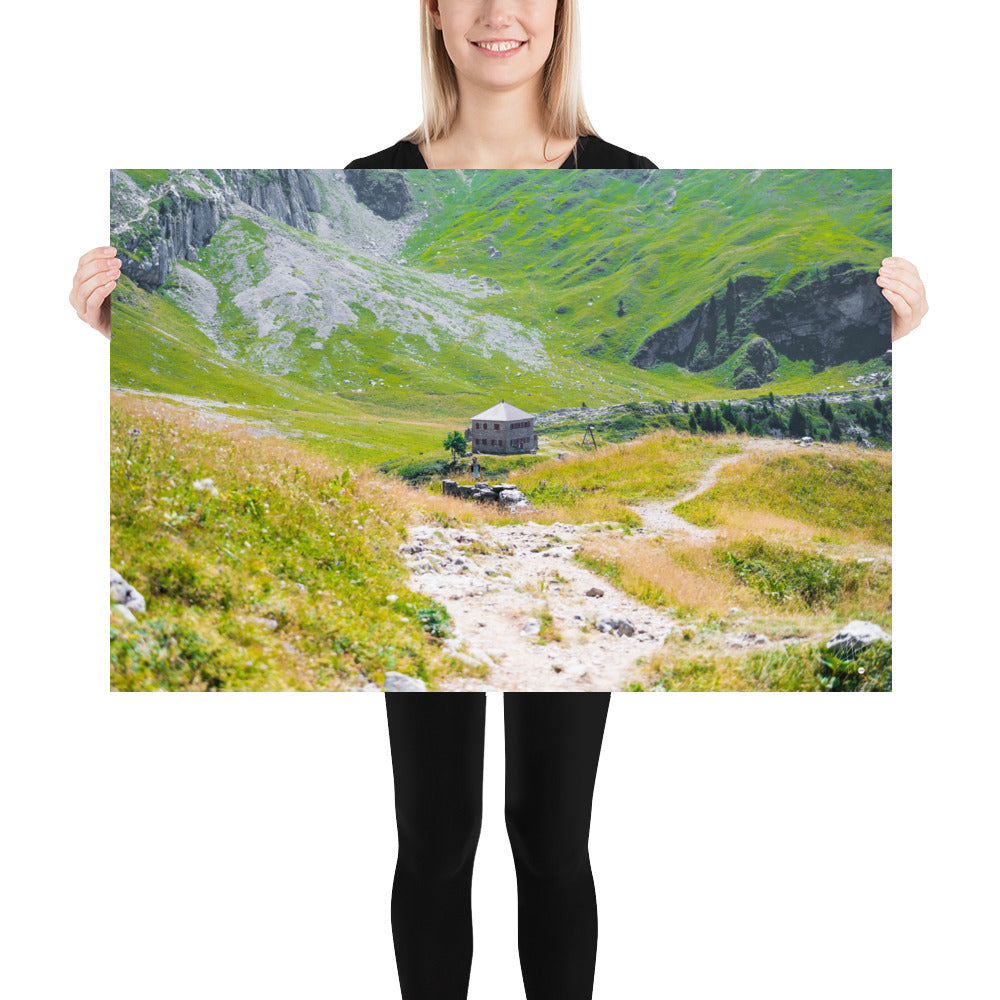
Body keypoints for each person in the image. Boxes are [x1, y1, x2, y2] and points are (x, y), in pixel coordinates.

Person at [73, 3, 928, 998]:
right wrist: (117, 338)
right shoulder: (369, 177)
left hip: (541, 557)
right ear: (431, 16)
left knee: (551, 835)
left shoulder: (627, 180)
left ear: (562, 15)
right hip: (432, 555)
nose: (497, 14)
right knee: (435, 839)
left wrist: (888, 335)